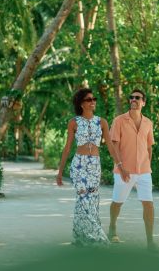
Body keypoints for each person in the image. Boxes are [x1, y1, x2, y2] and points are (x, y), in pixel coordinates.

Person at [56, 88, 125, 246]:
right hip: (79, 165)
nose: (93, 102)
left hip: (94, 165)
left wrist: (120, 166)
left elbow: (110, 146)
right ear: (81, 104)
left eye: (94, 99)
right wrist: (60, 172)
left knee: (91, 199)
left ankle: (80, 236)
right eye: (89, 100)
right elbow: (67, 148)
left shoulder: (102, 122)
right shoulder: (74, 122)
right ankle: (99, 237)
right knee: (83, 198)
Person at [108, 89, 155, 249]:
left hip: (144, 171)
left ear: (144, 102)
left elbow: (149, 146)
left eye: (137, 98)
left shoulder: (148, 123)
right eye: (131, 97)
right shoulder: (119, 121)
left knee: (148, 204)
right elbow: (113, 145)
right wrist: (120, 167)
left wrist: (148, 164)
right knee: (117, 202)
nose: (133, 99)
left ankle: (150, 241)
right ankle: (112, 227)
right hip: (124, 170)